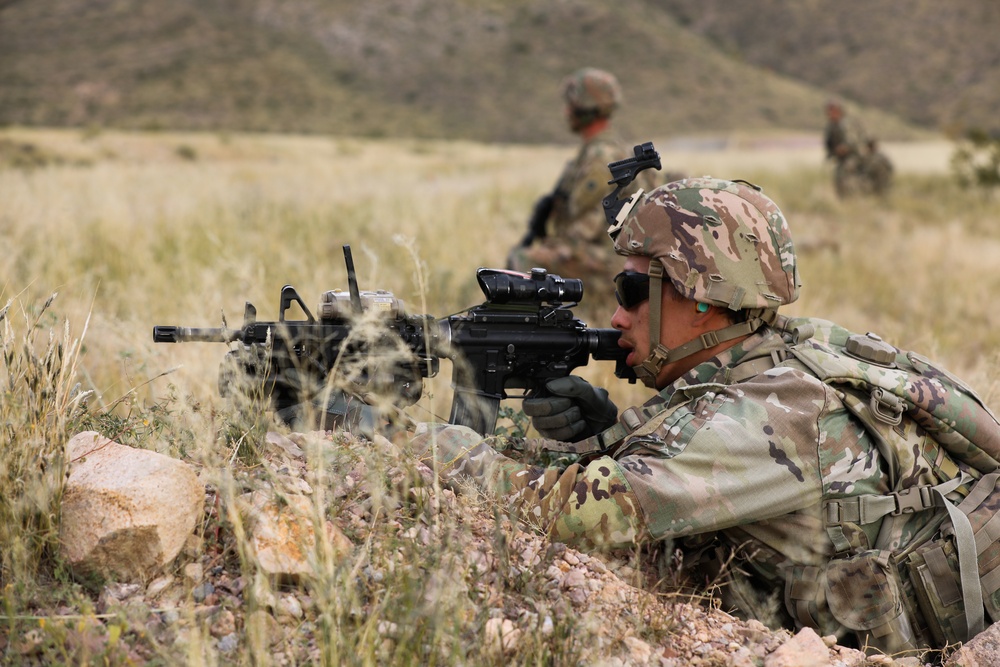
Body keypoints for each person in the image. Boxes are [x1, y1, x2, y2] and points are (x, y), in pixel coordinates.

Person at [401, 177, 1000, 655]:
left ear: (704, 298)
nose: (616, 317)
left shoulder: (782, 411)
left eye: (632, 291)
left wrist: (415, 444)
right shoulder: (787, 348)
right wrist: (603, 433)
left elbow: (579, 515)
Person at [507, 68, 648, 312]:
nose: (566, 112)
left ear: (585, 108)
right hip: (618, 258)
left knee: (523, 262)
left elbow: (584, 230)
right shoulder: (607, 149)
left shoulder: (600, 157)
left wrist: (544, 248)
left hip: (612, 265)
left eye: (570, 104)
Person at [824, 100, 869, 197]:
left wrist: (843, 148)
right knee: (839, 178)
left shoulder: (845, 124)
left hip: (854, 156)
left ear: (838, 111)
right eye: (829, 111)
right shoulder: (832, 126)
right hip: (842, 158)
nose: (829, 113)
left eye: (832, 110)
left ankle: (852, 198)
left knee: (846, 175)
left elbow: (852, 141)